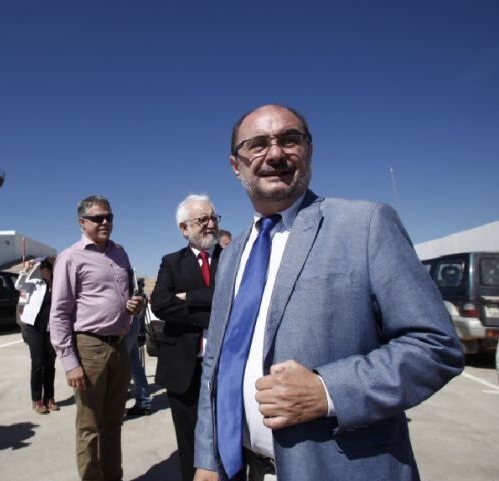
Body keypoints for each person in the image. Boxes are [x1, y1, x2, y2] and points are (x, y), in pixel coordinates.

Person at [193, 105, 464, 481]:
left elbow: (436, 346)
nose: (275, 154)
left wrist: (328, 390)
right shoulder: (233, 254)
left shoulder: (365, 225)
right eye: (257, 145)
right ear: (236, 165)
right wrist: (208, 457)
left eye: (290, 140)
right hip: (243, 469)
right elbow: (217, 364)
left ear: (309, 150)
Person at [50, 195, 144, 481]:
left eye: (109, 217)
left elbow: (129, 293)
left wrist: (134, 305)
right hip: (89, 347)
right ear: (82, 222)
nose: (105, 222)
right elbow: (59, 313)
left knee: (114, 424)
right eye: (98, 218)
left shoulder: (120, 253)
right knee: (90, 426)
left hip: (120, 346)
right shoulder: (71, 257)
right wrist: (69, 362)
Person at [151, 194, 222, 481]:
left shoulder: (231, 258)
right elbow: (161, 304)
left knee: (226, 437)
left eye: (213, 218)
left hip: (225, 366)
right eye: (201, 219)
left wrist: (191, 297)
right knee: (190, 442)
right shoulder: (171, 263)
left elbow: (239, 298)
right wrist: (213, 315)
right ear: (184, 228)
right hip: (183, 368)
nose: (210, 224)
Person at [16, 257, 59, 414]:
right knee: (38, 362)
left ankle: (50, 397)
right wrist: (25, 270)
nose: (43, 270)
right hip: (33, 327)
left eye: (46, 268)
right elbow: (19, 285)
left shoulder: (59, 286)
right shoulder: (35, 284)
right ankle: (37, 400)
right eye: (42, 268)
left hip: (51, 329)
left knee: (50, 364)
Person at [123, 278, 152, 417]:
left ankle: (116, 406)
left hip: (125, 325)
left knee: (119, 366)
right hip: (131, 325)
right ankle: (144, 402)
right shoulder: (137, 290)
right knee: (135, 365)